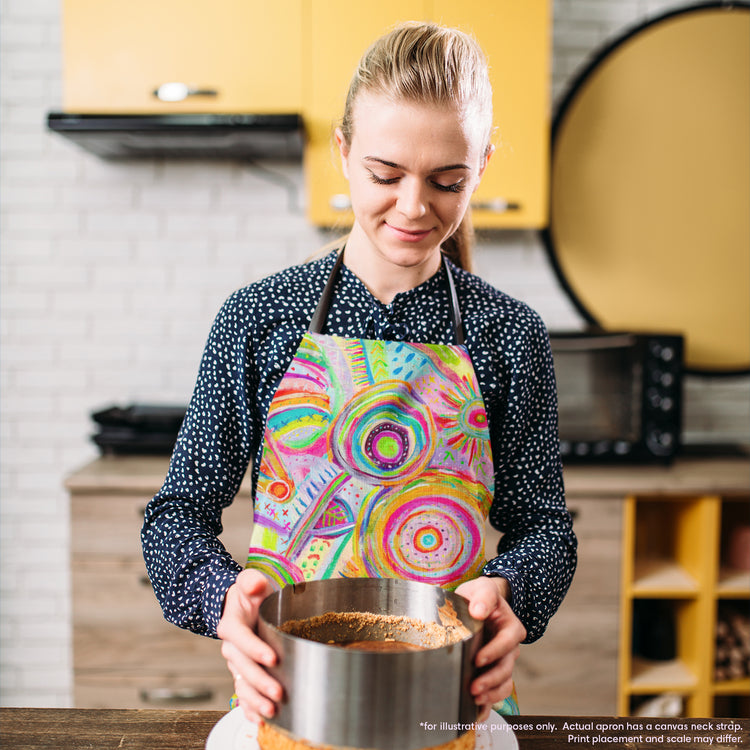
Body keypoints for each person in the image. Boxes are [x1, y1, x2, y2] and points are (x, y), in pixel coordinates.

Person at [141, 20, 577, 725]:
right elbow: (175, 518)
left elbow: (545, 529)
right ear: (342, 154)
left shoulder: (509, 335)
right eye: (385, 174)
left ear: (483, 167)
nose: (413, 206)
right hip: (292, 696)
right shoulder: (260, 318)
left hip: (448, 699)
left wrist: (514, 593)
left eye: (447, 181)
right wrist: (225, 601)